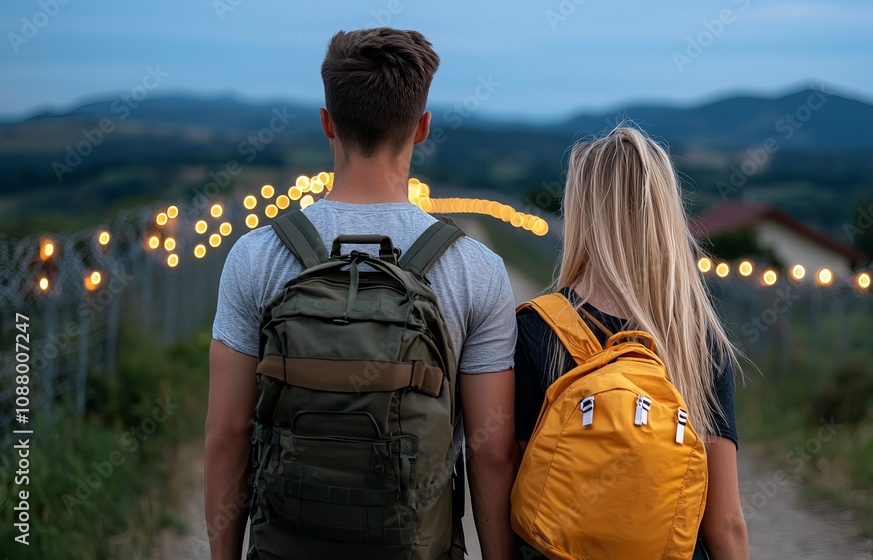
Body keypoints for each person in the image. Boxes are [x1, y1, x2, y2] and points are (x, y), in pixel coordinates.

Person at [205, 28, 519, 560]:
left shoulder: (256, 256)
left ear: (327, 121)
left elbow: (228, 433)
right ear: (422, 129)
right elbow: (490, 448)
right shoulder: (476, 269)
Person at [514, 126, 750, 559]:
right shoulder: (697, 338)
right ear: (662, 213)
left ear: (581, 212)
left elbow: (527, 486)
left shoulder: (538, 329)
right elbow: (726, 522)